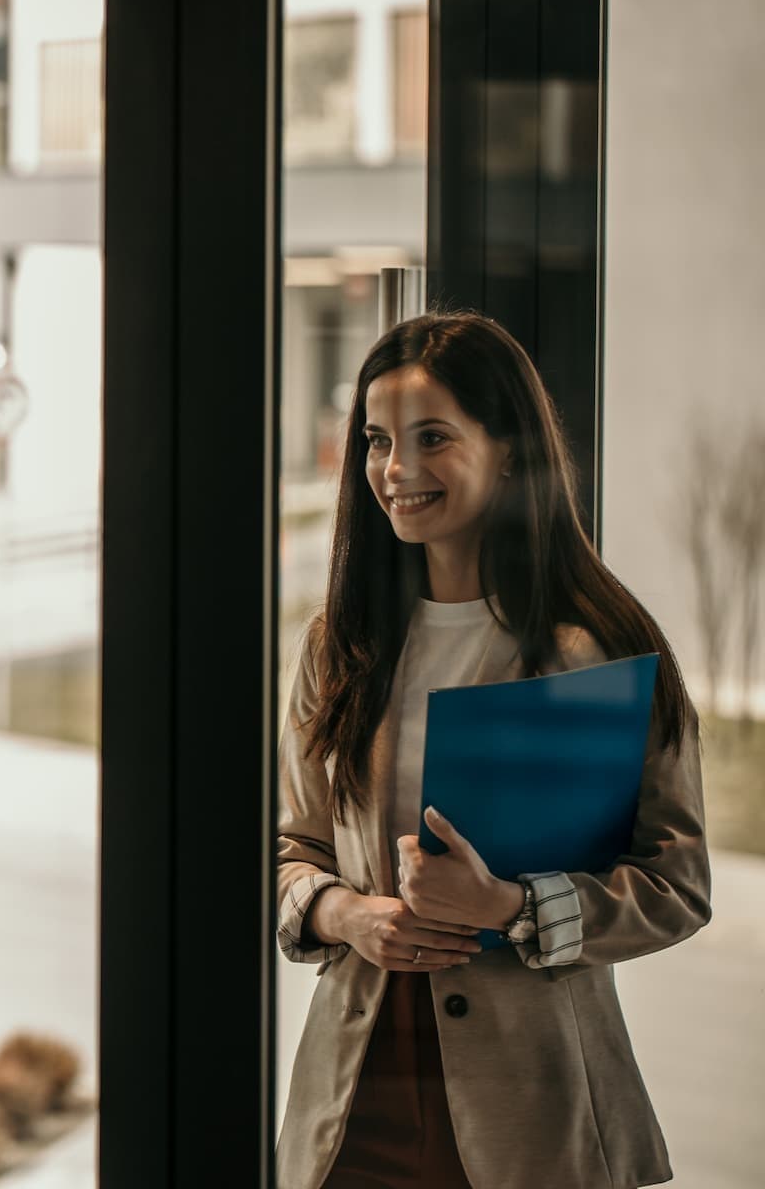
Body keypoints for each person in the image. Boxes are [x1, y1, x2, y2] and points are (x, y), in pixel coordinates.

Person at [275, 312, 711, 1189]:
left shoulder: (593, 653)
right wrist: (345, 916)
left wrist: (511, 905)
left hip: (535, 1109)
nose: (396, 471)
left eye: (432, 437)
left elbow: (677, 886)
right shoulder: (339, 646)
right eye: (376, 440)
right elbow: (292, 847)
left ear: (507, 450)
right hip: (354, 1100)